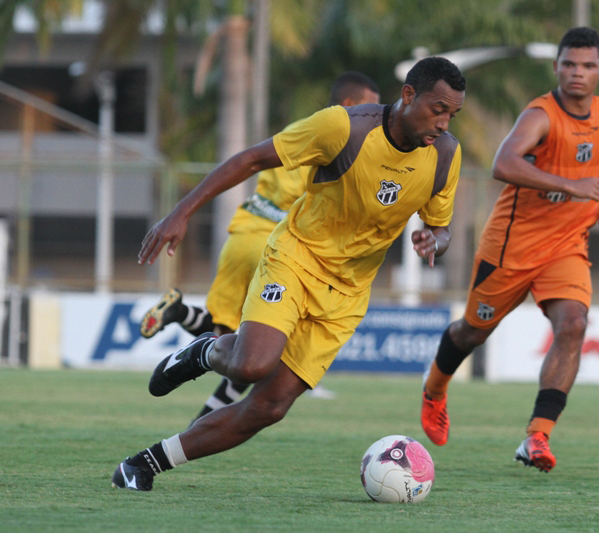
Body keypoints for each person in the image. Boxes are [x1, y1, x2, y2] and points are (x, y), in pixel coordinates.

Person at [112, 56, 466, 491]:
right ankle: (205, 351)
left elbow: (441, 224)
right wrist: (180, 212)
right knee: (251, 366)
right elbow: (251, 159)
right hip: (296, 259)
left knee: (270, 407)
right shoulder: (344, 128)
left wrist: (436, 240)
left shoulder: (446, 155)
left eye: (453, 114)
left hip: (348, 295)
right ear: (408, 95)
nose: (445, 123)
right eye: (438, 109)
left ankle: (142, 465)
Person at [420, 27, 599, 473]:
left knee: (573, 323)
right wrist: (570, 185)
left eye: (587, 66)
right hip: (511, 248)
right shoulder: (540, 115)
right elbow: (504, 163)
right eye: (569, 64)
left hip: (567, 247)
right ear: (556, 66)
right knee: (472, 333)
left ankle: (537, 436)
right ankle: (435, 390)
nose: (577, 73)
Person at [139, 72, 380, 416]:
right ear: (349, 104)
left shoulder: (300, 129)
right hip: (279, 246)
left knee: (225, 329)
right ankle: (206, 420)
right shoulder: (340, 139)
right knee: (260, 348)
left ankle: (179, 312)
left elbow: (253, 161)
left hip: (242, 234)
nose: (377, 116)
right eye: (371, 107)